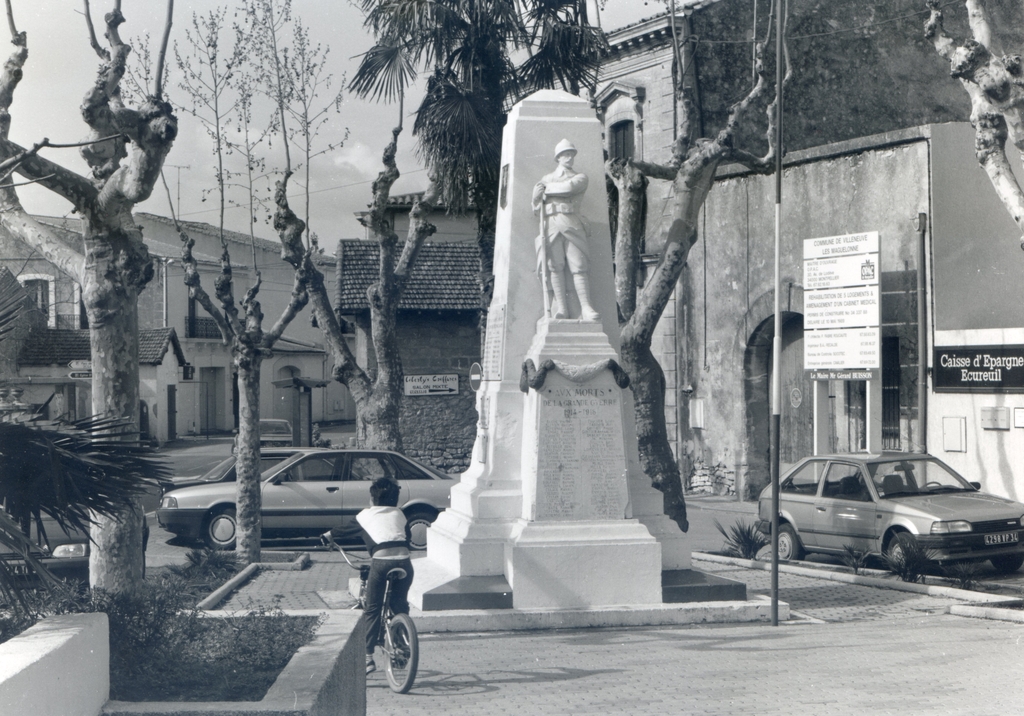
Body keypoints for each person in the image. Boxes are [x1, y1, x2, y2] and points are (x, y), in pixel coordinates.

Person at [322, 477, 413, 675]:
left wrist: (328, 535)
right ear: (395, 499)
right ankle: (403, 644)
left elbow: (343, 530)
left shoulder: (365, 516)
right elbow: (408, 539)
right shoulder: (400, 514)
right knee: (400, 606)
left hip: (381, 564)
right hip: (405, 563)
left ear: (373, 498)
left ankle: (367, 658)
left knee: (373, 609)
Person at [532, 138, 600, 321]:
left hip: (571, 223)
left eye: (571, 154)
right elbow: (536, 208)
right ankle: (561, 308)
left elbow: (568, 188)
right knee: (555, 266)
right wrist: (536, 198)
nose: (569, 157)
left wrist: (544, 189)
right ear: (558, 158)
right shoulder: (546, 179)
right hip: (550, 225)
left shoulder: (580, 177)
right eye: (565, 154)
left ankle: (586, 307)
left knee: (579, 266)